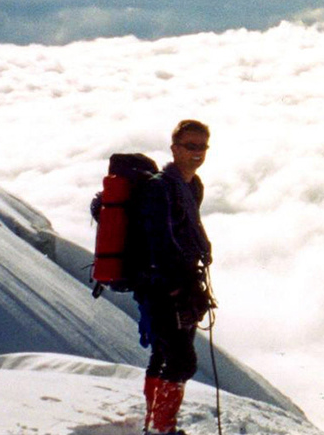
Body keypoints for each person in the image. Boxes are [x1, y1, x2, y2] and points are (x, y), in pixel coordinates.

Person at [137, 119, 216, 435]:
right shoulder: (161, 188)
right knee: (182, 360)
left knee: (163, 353)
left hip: (178, 282)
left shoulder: (191, 186)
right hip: (163, 285)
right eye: (190, 146)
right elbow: (156, 240)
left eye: (202, 147)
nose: (197, 153)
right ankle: (162, 428)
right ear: (175, 149)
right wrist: (175, 287)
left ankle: (153, 423)